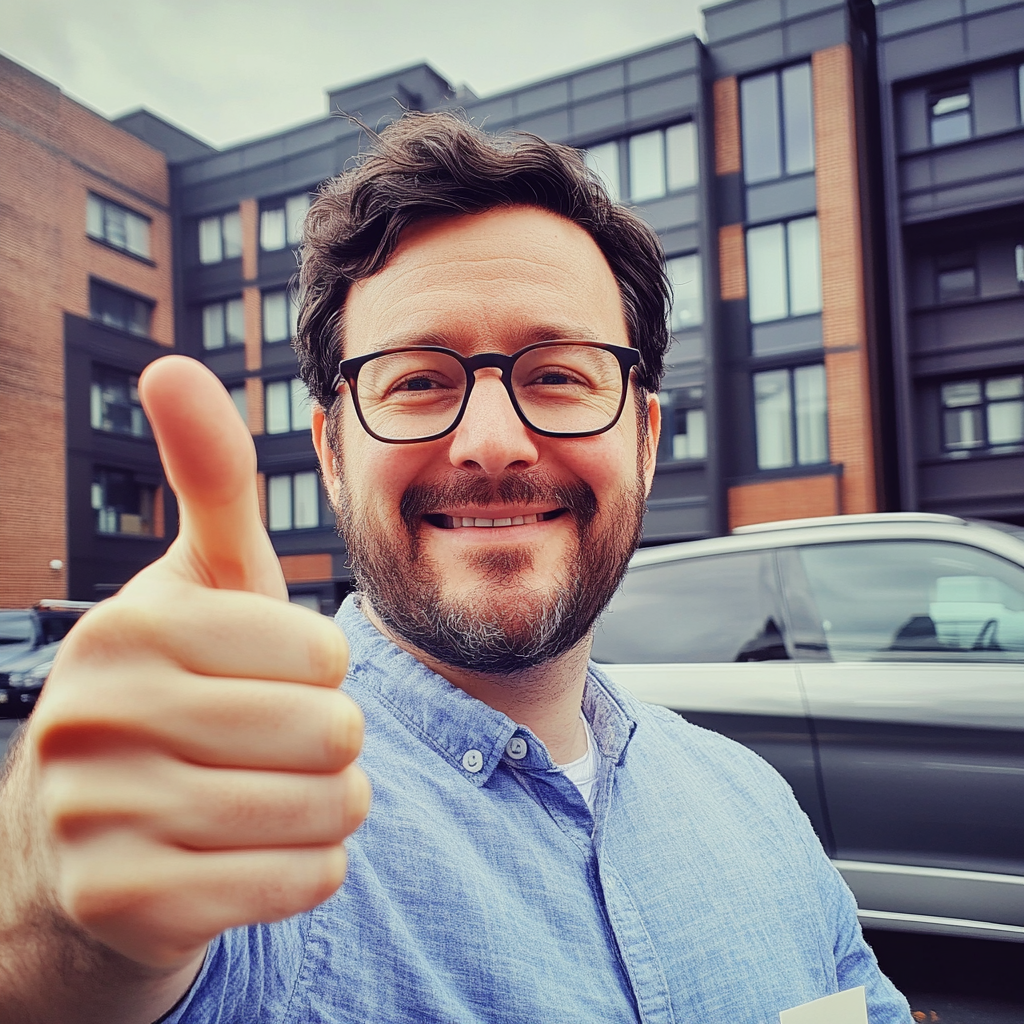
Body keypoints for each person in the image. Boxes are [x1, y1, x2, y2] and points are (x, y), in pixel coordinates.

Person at [0, 113, 912, 1024]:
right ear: (331, 451)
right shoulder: (248, 834)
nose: (491, 443)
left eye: (558, 374)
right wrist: (51, 919)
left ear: (644, 437)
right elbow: (83, 976)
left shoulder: (752, 800)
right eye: (417, 380)